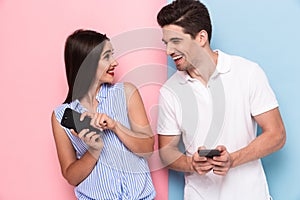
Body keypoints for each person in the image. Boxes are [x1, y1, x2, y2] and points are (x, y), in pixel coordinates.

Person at [156, 0, 286, 199]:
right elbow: (167, 152)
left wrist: (233, 159)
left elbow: (276, 134)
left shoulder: (248, 72)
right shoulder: (170, 91)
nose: (168, 51)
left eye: (176, 41)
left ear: (201, 38)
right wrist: (191, 163)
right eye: (166, 43)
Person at [51, 29, 156, 200]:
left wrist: (115, 126)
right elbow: (71, 177)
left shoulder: (126, 93)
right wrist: (94, 149)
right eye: (107, 57)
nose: (114, 62)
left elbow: (147, 149)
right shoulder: (60, 116)